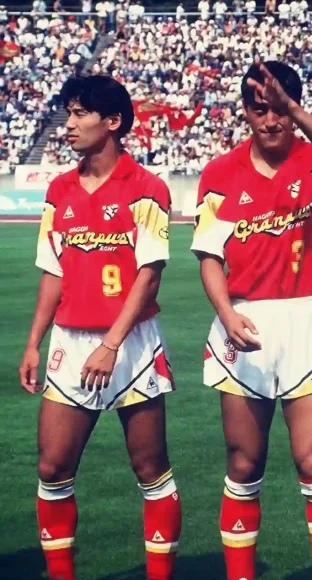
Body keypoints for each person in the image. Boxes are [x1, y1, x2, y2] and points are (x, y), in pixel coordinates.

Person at [190, 60, 312, 580]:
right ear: (245, 111)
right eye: (258, 109)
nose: (269, 121)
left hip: (306, 321)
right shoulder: (220, 173)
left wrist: (294, 108)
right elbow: (209, 256)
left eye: (277, 109)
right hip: (242, 322)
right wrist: (225, 313)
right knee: (243, 465)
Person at [19, 74, 180, 580]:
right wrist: (34, 343)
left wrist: (111, 344)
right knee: (52, 469)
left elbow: (148, 276)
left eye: (80, 114)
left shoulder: (147, 189)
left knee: (150, 469)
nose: (68, 124)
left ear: (112, 123)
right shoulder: (58, 189)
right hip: (70, 342)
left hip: (129, 344)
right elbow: (53, 271)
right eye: (68, 113)